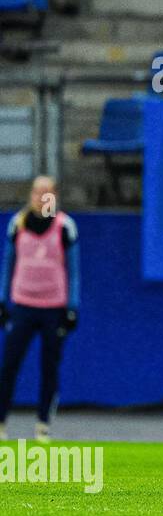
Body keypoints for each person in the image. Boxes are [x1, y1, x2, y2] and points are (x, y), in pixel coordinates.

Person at [0, 176, 79, 442]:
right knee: (9, 366)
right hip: (23, 305)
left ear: (55, 196)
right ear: (31, 195)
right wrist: (2, 301)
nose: (42, 197)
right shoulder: (17, 224)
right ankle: (1, 423)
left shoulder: (65, 226)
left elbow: (74, 272)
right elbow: (7, 265)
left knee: (49, 368)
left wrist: (72, 307)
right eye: (37, 192)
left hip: (53, 308)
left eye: (47, 192)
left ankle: (43, 425)